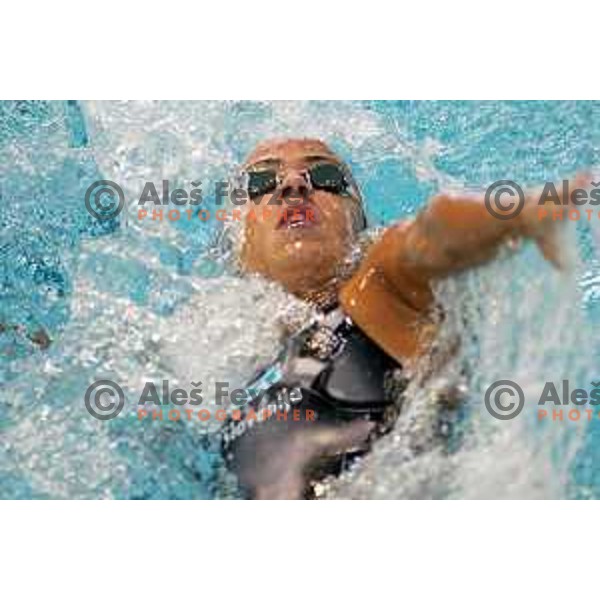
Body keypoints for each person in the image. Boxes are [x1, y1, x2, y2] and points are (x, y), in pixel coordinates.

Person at [222, 137, 581, 499]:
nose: (294, 184)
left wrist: (518, 216)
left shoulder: (382, 295)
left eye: (326, 175)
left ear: (359, 223)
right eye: (260, 182)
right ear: (234, 232)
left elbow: (430, 234)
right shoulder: (200, 349)